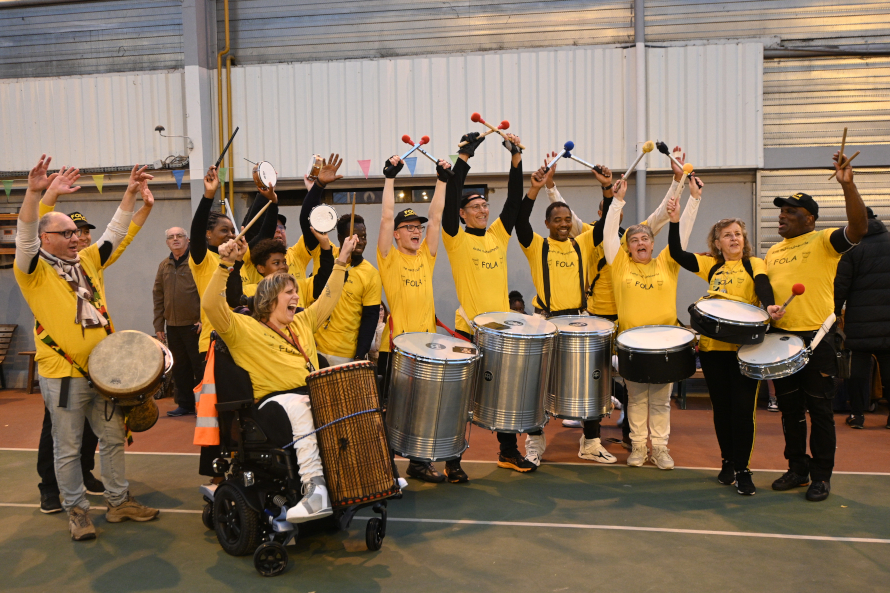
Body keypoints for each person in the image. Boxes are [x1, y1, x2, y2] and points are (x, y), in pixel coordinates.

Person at [15, 155, 159, 541]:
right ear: (47, 240)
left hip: (102, 371)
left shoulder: (88, 261)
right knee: (68, 446)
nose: (77, 237)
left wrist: (130, 194)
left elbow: (115, 231)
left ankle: (118, 501)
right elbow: (27, 229)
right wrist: (36, 194)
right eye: (67, 232)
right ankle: (77, 512)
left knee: (111, 438)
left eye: (77, 232)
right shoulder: (32, 270)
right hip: (62, 373)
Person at [202, 229, 358, 523]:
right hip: (270, 406)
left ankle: (371, 473)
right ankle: (316, 491)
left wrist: (342, 263)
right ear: (270, 299)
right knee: (302, 405)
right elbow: (211, 305)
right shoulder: (241, 328)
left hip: (308, 393)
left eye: (295, 292)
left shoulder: (302, 321)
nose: (296, 297)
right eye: (289, 293)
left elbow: (329, 297)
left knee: (352, 396)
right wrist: (224, 266)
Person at [545, 149, 691, 453]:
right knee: (594, 374)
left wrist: (678, 182)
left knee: (631, 376)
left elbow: (664, 213)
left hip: (628, 320)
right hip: (597, 317)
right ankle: (595, 420)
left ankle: (630, 429)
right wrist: (550, 186)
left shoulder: (635, 238)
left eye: (616, 206)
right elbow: (563, 214)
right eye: (607, 206)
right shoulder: (588, 233)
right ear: (603, 212)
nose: (613, 210)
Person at [765, 151, 868, 502]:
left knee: (820, 411)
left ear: (809, 219)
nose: (782, 215)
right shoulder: (773, 252)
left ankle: (821, 476)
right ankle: (798, 467)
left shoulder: (824, 241)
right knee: (790, 411)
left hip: (816, 340)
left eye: (790, 211)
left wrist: (848, 185)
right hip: (781, 340)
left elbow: (859, 227)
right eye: (781, 210)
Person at [443, 130, 540, 472]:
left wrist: (516, 160)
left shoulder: (498, 235)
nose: (484, 210)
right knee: (461, 400)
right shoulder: (454, 239)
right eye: (476, 206)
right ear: (462, 214)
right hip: (467, 330)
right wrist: (464, 158)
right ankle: (453, 461)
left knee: (504, 394)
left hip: (500, 331)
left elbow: (514, 202)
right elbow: (451, 191)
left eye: (485, 205)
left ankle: (507, 452)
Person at [668, 210, 783, 494]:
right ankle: (727, 462)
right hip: (712, 349)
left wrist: (768, 306)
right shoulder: (711, 266)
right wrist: (673, 221)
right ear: (717, 243)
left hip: (744, 350)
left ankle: (744, 469)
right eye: (727, 235)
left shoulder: (753, 263)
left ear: (744, 240)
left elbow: (763, 285)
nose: (734, 239)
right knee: (721, 409)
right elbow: (676, 253)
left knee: (743, 411)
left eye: (738, 234)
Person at [516, 161, 618, 465]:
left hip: (578, 319)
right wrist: (535, 188)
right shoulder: (536, 246)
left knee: (590, 380)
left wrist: (607, 187)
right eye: (557, 219)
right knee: (538, 383)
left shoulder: (583, 243)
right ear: (547, 223)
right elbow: (521, 220)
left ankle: (591, 442)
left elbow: (608, 223)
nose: (563, 223)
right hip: (544, 320)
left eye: (567, 219)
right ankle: (534, 443)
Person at [603, 166, 702, 471]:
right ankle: (637, 447)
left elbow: (680, 229)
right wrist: (616, 201)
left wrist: (693, 198)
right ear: (627, 247)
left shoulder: (667, 263)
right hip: (632, 346)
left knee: (659, 400)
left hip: (665, 346)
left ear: (653, 243)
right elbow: (608, 232)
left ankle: (659, 448)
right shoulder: (619, 266)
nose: (641, 242)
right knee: (637, 399)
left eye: (646, 238)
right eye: (635, 240)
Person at [190, 163, 279, 484]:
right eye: (224, 231)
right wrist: (207, 196)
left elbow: (261, 234)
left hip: (239, 344)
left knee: (239, 411)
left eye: (233, 230)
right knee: (213, 413)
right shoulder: (203, 260)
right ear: (208, 236)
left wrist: (271, 201)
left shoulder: (237, 262)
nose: (232, 235)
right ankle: (214, 475)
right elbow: (197, 229)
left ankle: (242, 465)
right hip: (212, 346)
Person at [377, 155, 452, 482]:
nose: (416, 232)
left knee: (423, 408)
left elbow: (436, 218)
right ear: (395, 235)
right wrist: (390, 179)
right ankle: (386, 464)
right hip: (394, 349)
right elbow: (385, 217)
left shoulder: (426, 257)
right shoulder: (388, 259)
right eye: (408, 228)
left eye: (416, 228)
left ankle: (419, 462)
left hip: (426, 348)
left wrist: (442, 180)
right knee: (392, 411)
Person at [835, 207, 890, 429]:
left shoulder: (853, 247)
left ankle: (857, 415)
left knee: (857, 372)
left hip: (860, 321)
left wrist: (835, 312)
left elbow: (841, 286)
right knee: (889, 370)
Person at [310, 213, 382, 365]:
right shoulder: (326, 256)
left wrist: (360, 355)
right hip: (314, 347)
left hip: (345, 354)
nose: (360, 241)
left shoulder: (371, 274)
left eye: (364, 236)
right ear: (340, 237)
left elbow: (370, 318)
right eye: (355, 237)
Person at [153, 227, 203, 418]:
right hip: (172, 326)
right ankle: (185, 404)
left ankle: (203, 405)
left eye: (179, 236)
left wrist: (203, 320)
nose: (175, 240)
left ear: (187, 240)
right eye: (171, 237)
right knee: (180, 367)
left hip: (194, 326)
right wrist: (159, 326)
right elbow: (158, 295)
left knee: (199, 367)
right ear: (167, 242)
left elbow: (206, 291)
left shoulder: (196, 263)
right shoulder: (164, 265)